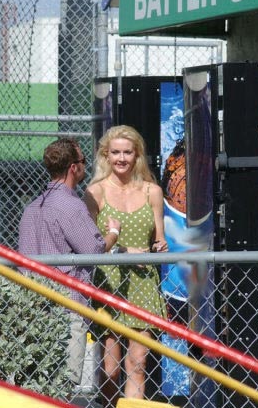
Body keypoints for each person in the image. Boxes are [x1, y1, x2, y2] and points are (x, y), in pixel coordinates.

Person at [18, 137, 121, 393]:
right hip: (68, 307)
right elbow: (93, 250)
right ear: (73, 167)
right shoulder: (71, 205)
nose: (85, 165)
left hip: (33, 306)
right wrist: (113, 233)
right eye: (83, 160)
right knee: (64, 383)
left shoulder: (32, 208)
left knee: (36, 384)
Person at [84, 125, 168, 407]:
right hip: (109, 284)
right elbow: (89, 244)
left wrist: (160, 247)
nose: (121, 158)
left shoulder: (152, 192)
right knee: (111, 369)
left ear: (137, 155)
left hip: (144, 283)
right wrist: (123, 249)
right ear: (106, 156)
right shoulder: (95, 192)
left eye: (127, 152)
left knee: (138, 363)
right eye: (116, 152)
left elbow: (160, 239)